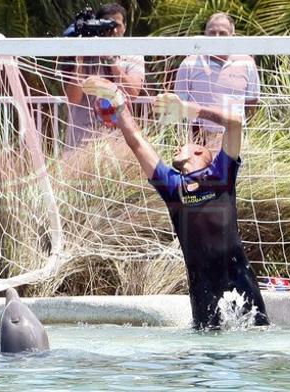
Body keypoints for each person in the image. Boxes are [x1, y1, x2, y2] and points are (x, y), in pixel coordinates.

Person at [82, 77, 269, 329]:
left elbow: (235, 123)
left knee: (255, 342)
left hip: (239, 279)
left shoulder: (221, 173)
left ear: (201, 152)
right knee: (207, 353)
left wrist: (189, 110)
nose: (177, 147)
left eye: (185, 146)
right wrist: (118, 101)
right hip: (201, 287)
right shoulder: (172, 186)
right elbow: (136, 142)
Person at [63, 3, 145, 149]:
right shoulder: (82, 55)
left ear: (125, 27)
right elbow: (73, 99)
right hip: (81, 140)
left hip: (119, 141)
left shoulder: (133, 55)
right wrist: (80, 59)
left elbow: (132, 93)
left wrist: (111, 60)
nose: (112, 31)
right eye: (107, 26)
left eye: (117, 25)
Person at [173, 12, 260, 149]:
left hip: (234, 139)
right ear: (205, 35)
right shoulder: (189, 64)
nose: (217, 38)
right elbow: (179, 104)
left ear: (233, 36)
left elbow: (251, 101)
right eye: (212, 33)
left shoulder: (247, 62)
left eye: (222, 33)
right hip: (199, 140)